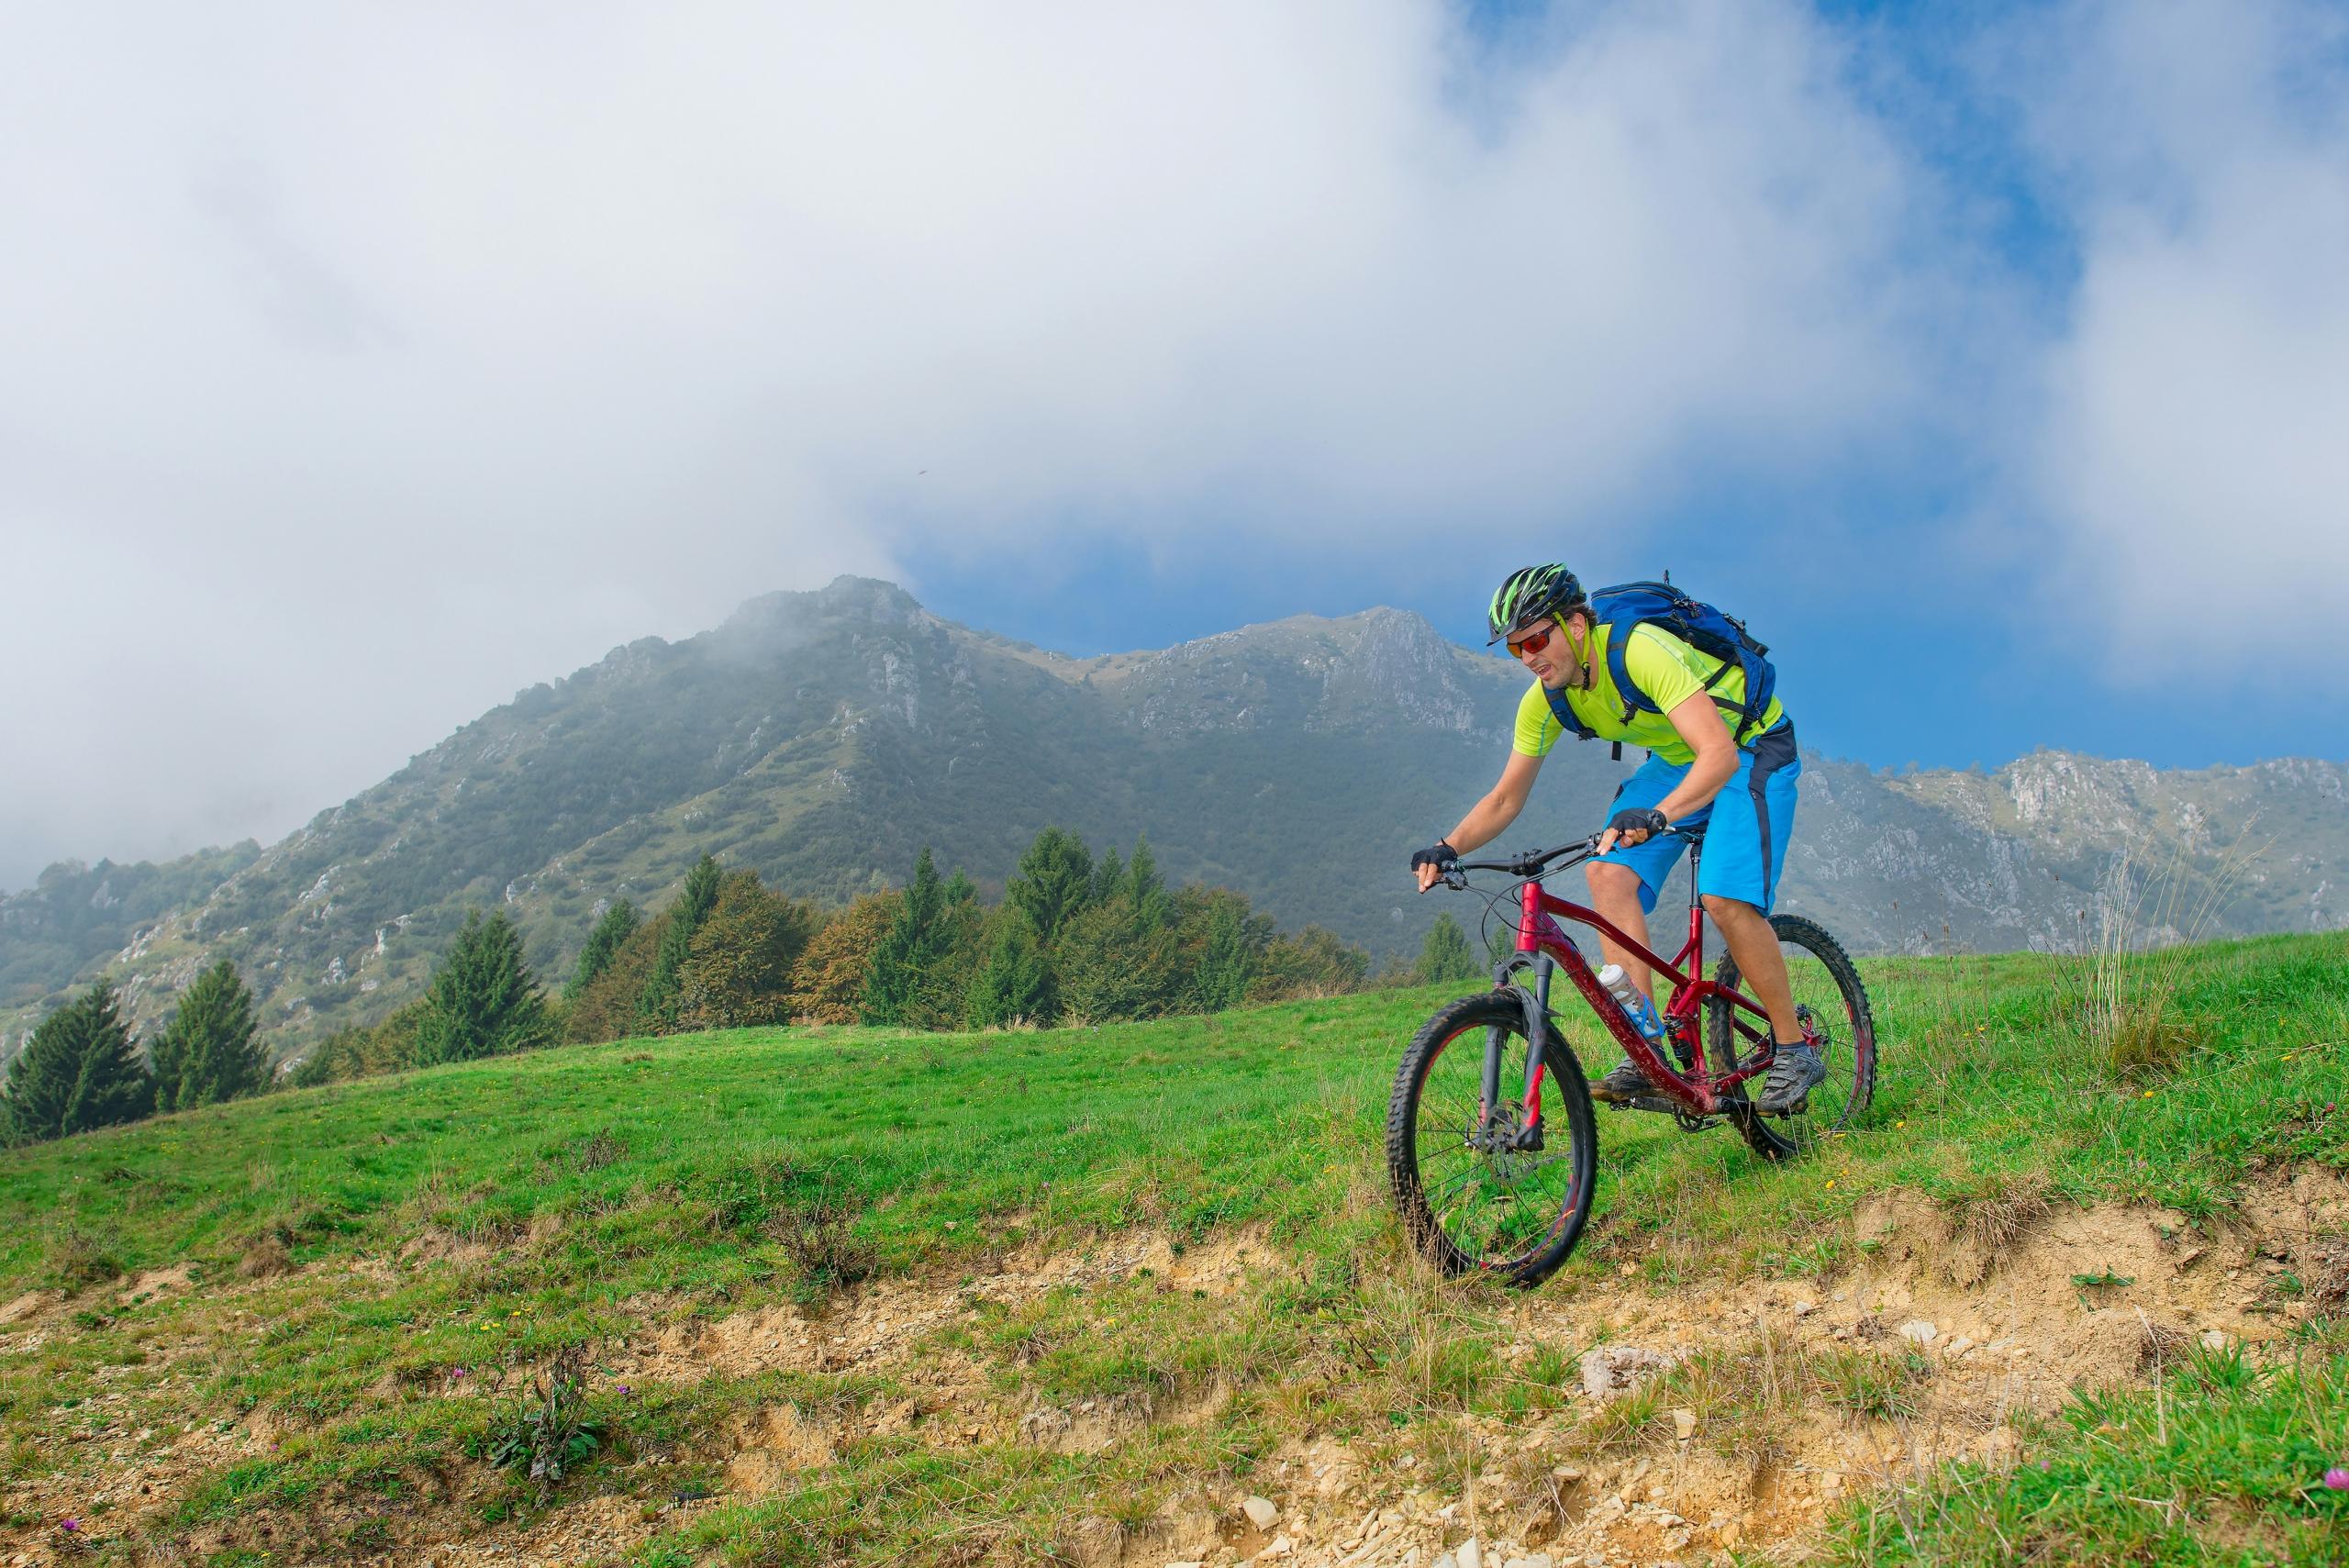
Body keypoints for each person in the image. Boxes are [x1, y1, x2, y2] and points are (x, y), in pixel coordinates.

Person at [1409, 563, 1822, 1113]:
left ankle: (1795, 1051)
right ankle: (1645, 1048)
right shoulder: (1548, 699)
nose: (1529, 657)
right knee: (1605, 871)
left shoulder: (1640, 652)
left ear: (1576, 625)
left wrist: (1659, 814)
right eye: (1516, 649)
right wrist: (1450, 845)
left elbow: (1719, 756)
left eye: (1537, 638)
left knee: (1724, 899)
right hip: (1679, 760)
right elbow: (1507, 797)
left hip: (1750, 746)